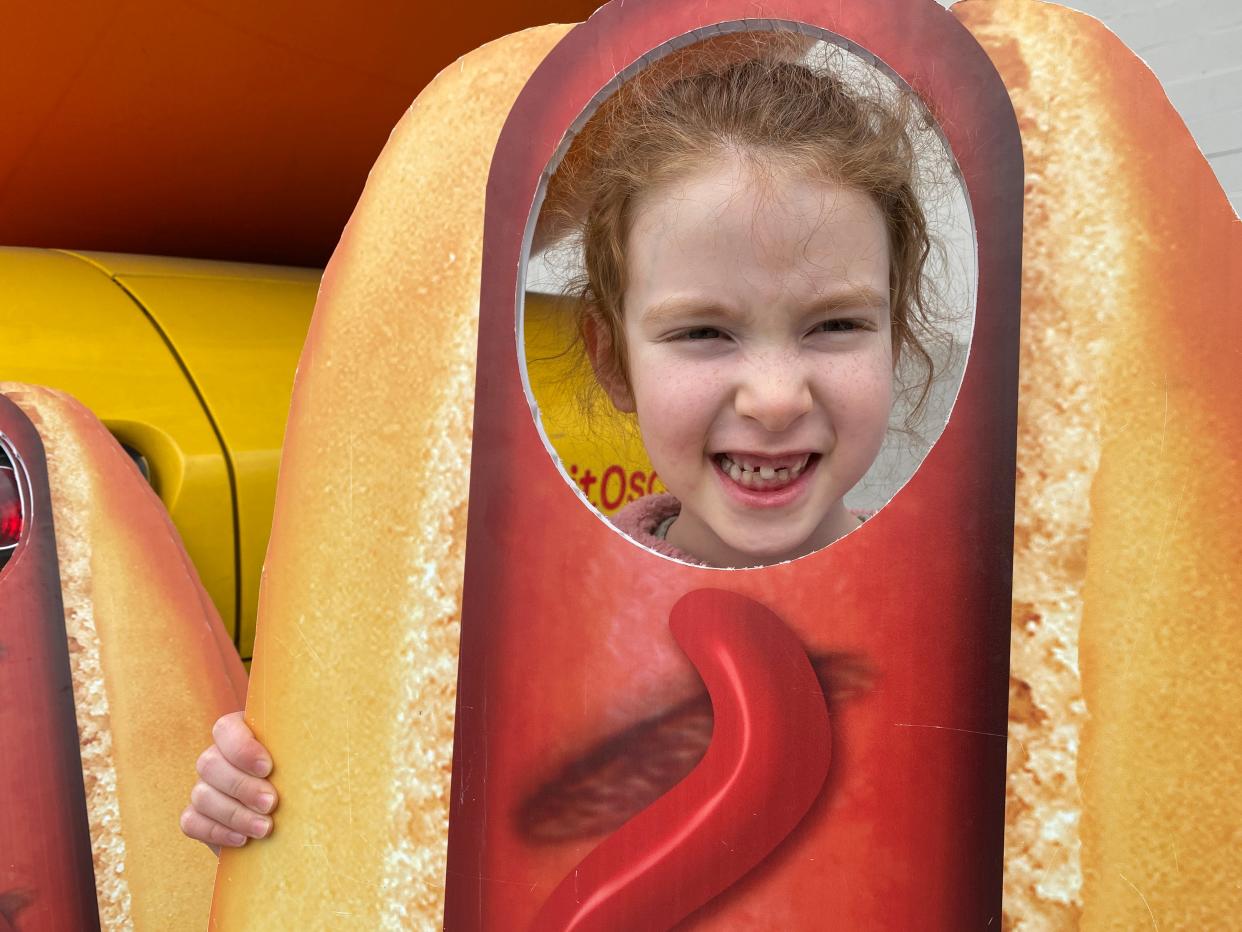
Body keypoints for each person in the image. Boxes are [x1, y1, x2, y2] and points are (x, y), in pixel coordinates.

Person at [181, 33, 940, 850]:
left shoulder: (958, 624)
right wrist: (258, 796)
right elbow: (399, 824)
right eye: (703, 333)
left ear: (893, 339)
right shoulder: (516, 629)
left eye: (834, 325)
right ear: (613, 359)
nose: (774, 399)